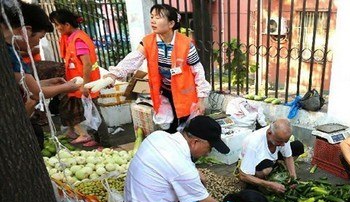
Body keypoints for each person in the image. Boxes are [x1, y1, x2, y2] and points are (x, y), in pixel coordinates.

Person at [124, 115, 230, 202]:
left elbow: (170, 165)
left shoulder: (157, 136)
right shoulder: (183, 168)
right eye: (210, 148)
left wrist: (195, 172)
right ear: (195, 142)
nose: (208, 153)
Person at [103, 4, 211, 133]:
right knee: (169, 127)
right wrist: (113, 75)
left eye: (158, 17)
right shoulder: (148, 41)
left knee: (186, 126)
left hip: (185, 94)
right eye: (152, 17)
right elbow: (133, 59)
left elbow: (198, 71)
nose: (153, 21)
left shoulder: (186, 44)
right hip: (164, 92)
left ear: (171, 23)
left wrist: (201, 99)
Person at [1, 1, 79, 148]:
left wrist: (49, 82)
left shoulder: (9, 49)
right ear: (27, 30)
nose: (37, 44)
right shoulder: (9, 55)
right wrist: (67, 87)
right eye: (40, 37)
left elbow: (22, 84)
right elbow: (36, 93)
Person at [49, 9, 110, 147]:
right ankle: (96, 139)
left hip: (89, 83)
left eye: (58, 25)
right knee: (89, 112)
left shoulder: (78, 40)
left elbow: (87, 64)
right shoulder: (72, 37)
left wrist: (84, 86)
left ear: (67, 25)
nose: (57, 28)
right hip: (84, 82)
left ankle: (105, 144)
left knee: (95, 113)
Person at [238, 118, 304, 193]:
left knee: (298, 146)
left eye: (285, 141)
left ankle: (277, 165)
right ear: (269, 133)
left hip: (271, 157)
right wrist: (268, 184)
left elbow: (288, 157)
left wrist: (293, 177)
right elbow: (242, 175)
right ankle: (264, 177)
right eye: (280, 141)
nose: (283, 145)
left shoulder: (281, 137)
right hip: (254, 160)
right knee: (267, 169)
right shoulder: (253, 143)